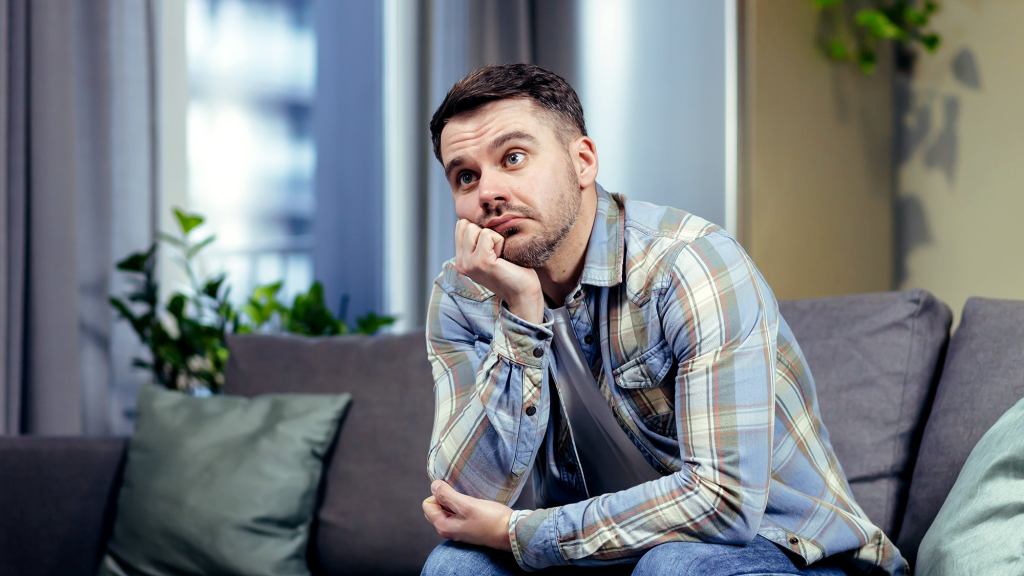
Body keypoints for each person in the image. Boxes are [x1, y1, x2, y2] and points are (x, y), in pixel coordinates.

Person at [420, 63, 907, 576]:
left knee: (675, 566)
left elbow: (725, 501)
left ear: (582, 160)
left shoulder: (689, 263)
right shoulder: (464, 296)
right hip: (610, 553)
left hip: (788, 550)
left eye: (513, 157)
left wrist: (520, 531)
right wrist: (521, 321)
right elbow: (462, 500)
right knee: (457, 566)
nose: (488, 193)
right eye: (465, 176)